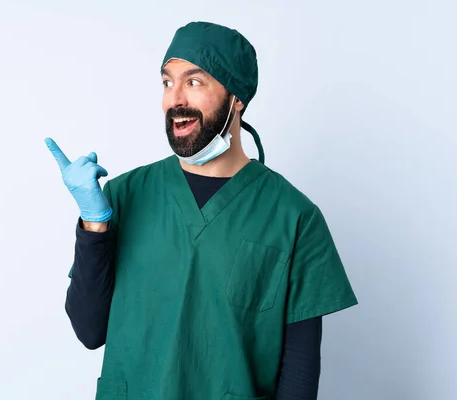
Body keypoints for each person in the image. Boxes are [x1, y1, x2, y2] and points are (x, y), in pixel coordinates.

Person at [45, 21, 358, 400]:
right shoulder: (125, 195)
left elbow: (299, 376)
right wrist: (94, 226)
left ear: (236, 97)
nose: (175, 98)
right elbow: (89, 331)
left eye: (194, 82)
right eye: (166, 82)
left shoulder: (293, 217)